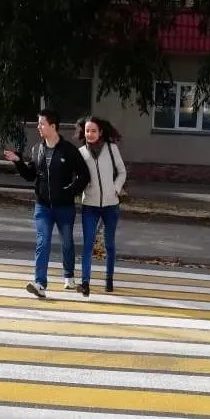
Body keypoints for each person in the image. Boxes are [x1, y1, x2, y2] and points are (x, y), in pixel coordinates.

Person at [4, 109, 90, 299]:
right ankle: (40, 284)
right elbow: (31, 176)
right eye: (38, 124)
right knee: (42, 242)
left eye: (42, 124)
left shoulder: (69, 150)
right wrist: (18, 162)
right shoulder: (37, 149)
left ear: (53, 126)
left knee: (67, 242)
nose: (39, 127)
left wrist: (70, 191)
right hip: (43, 206)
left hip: (64, 207)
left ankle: (69, 275)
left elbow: (84, 175)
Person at [75, 115, 127, 297]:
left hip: (111, 205)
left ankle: (109, 279)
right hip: (89, 204)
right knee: (88, 244)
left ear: (101, 132)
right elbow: (78, 177)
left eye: (93, 131)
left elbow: (122, 172)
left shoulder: (112, 149)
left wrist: (116, 188)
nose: (90, 134)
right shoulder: (81, 152)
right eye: (87, 131)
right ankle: (85, 283)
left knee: (109, 244)